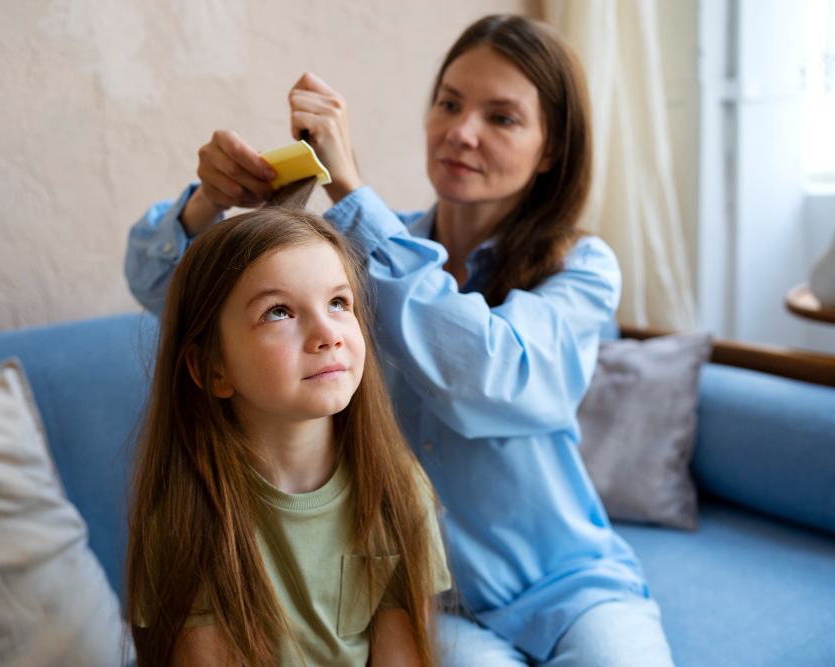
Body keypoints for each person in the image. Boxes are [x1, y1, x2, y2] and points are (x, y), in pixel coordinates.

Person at [125, 13, 675, 666]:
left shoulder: (580, 267)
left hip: (572, 581)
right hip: (430, 593)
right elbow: (168, 290)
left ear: (551, 149)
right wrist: (205, 205)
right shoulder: (364, 255)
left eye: (501, 117)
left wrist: (352, 192)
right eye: (449, 102)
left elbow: (489, 374)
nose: (461, 132)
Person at [124, 188, 452, 667]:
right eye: (279, 311)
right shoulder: (185, 518)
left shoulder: (398, 490)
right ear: (213, 369)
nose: (328, 334)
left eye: (339, 303)